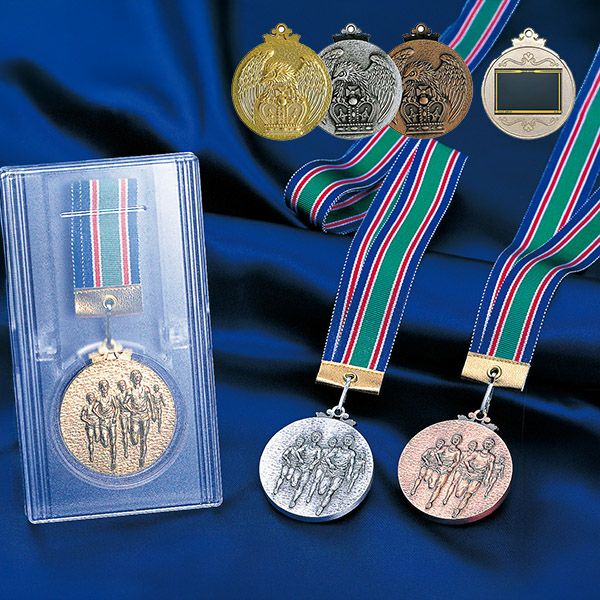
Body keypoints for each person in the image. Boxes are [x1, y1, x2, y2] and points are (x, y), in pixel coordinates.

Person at [452, 437, 497, 518]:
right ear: (483, 444)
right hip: (468, 474)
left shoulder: (491, 457)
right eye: (487, 443)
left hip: (478, 477)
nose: (488, 445)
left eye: (490, 444)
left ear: (492, 446)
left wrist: (487, 479)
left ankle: (458, 509)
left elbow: (490, 469)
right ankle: (459, 500)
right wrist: (468, 467)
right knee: (458, 494)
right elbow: (466, 460)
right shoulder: (476, 453)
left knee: (468, 495)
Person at [316, 433, 356, 516]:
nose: (348, 441)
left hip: (340, 473)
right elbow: (327, 457)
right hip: (330, 471)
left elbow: (351, 465)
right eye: (346, 439)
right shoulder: (336, 450)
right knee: (320, 491)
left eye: (350, 440)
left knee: (330, 492)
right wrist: (330, 464)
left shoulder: (351, 453)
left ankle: (321, 507)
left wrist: (349, 474)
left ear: (352, 442)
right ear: (343, 440)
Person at [425, 433, 462, 510]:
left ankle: (430, 501)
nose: (455, 440)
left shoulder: (457, 452)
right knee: (431, 484)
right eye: (455, 438)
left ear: (459, 442)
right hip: (438, 467)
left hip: (446, 470)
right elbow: (436, 453)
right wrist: (438, 461)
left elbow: (457, 461)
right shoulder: (445, 448)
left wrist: (451, 467)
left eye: (457, 440)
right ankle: (431, 483)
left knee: (439, 486)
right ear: (452, 439)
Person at [127, 370, 154, 468]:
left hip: (145, 416)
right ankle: (132, 435)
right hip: (135, 416)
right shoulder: (130, 390)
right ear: (132, 379)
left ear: (141, 377)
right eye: (135, 376)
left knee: (144, 438)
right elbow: (125, 403)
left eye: (138, 376)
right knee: (134, 440)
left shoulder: (146, 389)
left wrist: (153, 413)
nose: (137, 378)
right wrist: (131, 410)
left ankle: (142, 458)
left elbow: (150, 401)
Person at [289, 431, 322, 509]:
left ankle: (293, 500)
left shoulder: (318, 449)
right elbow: (297, 451)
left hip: (308, 469)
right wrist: (300, 459)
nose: (315, 438)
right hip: (300, 466)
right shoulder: (306, 446)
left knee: (301, 485)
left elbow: (318, 458)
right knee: (294, 483)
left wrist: (312, 464)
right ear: (311, 437)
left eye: (317, 437)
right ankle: (294, 483)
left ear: (319, 439)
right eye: (314, 436)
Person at [92, 379, 119, 471]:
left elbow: (117, 408)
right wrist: (100, 416)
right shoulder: (98, 399)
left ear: (108, 387)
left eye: (106, 386)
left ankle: (113, 461)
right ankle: (102, 440)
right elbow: (94, 409)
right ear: (100, 388)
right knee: (105, 443)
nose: (104, 388)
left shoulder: (111, 397)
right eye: (102, 387)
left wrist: (115, 417)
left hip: (111, 421)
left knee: (113, 442)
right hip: (103, 422)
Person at [443, 440, 477, 506]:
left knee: (460, 491)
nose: (472, 446)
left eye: (474, 445)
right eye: (471, 444)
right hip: (460, 469)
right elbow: (458, 461)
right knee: (453, 483)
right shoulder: (463, 453)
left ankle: (459, 501)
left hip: (467, 473)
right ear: (468, 445)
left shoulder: (475, 455)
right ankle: (446, 498)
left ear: (475, 447)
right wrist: (453, 469)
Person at [80, 392, 99, 462]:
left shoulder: (97, 406)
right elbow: (82, 417)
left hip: (97, 424)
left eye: (92, 398)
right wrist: (88, 421)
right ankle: (91, 454)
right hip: (90, 425)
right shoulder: (86, 407)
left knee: (97, 438)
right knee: (90, 440)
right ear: (88, 399)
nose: (91, 399)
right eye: (90, 398)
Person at [115, 379, 131, 458]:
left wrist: (131, 410)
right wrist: (115, 416)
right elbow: (117, 407)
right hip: (123, 414)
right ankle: (126, 450)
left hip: (131, 414)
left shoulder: (129, 393)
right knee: (124, 432)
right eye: (120, 386)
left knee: (131, 431)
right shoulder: (118, 396)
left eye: (123, 385)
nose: (122, 387)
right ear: (119, 387)